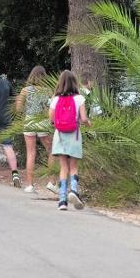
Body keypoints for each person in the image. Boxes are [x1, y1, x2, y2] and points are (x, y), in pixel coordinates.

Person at [50, 69, 91, 210]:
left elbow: (51, 119)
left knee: (63, 167)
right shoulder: (79, 99)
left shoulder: (55, 99)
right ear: (74, 83)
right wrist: (88, 124)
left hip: (60, 136)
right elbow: (84, 118)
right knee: (73, 167)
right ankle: (73, 191)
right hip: (74, 135)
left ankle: (62, 200)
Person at [16, 65, 54, 193]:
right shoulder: (48, 91)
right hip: (43, 121)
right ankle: (51, 182)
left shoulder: (25, 91)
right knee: (50, 150)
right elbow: (50, 107)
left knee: (31, 153)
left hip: (29, 120)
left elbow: (18, 109)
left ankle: (29, 185)